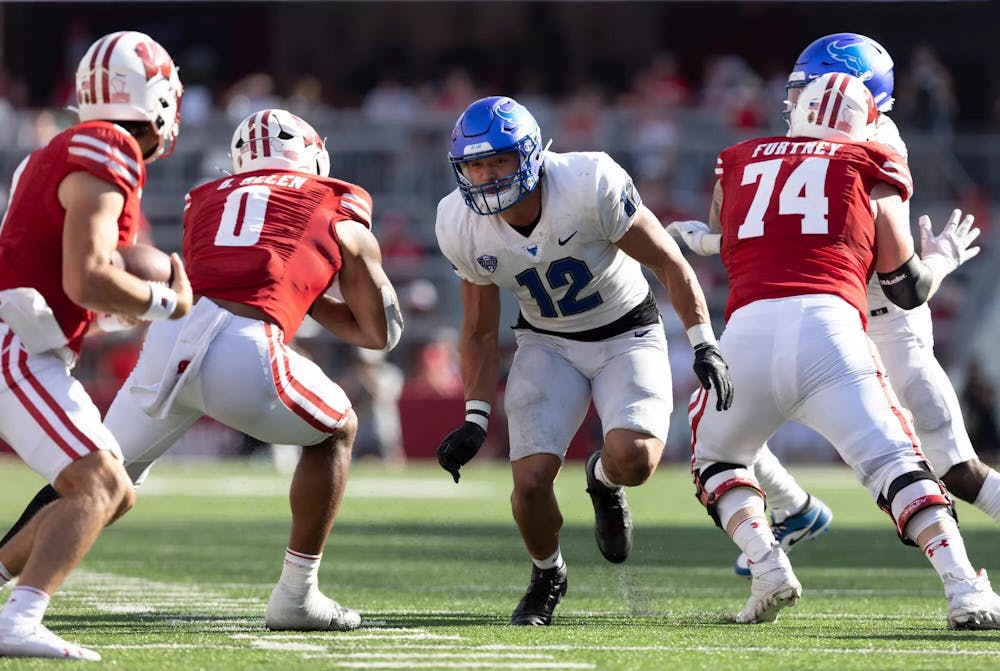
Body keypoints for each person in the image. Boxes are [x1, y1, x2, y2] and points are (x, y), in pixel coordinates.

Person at [0, 109, 402, 633]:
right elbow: (379, 334)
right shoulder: (336, 199)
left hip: (171, 340)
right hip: (244, 350)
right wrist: (319, 293)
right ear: (313, 154)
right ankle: (295, 596)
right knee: (337, 430)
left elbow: (235, 269)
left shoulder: (205, 199)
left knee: (98, 479)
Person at [671, 31, 1000, 579]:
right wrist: (716, 238)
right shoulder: (826, 137)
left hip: (883, 319)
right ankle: (794, 508)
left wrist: (939, 259)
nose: (797, 99)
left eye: (809, 87)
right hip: (828, 312)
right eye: (801, 87)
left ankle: (790, 514)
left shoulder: (876, 151)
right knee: (732, 420)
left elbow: (897, 277)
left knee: (956, 471)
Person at [434, 96, 733, 626]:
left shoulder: (587, 181)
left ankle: (604, 479)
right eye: (475, 165)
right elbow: (479, 328)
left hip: (627, 332)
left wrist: (704, 341)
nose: (486, 176)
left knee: (635, 459)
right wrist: (476, 415)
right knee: (528, 483)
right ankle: (548, 573)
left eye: (498, 161)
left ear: (528, 155)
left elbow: (668, 261)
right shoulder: (459, 223)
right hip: (547, 343)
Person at [0, 31, 189, 660]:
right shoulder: (107, 146)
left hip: (31, 339)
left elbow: (73, 284)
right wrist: (165, 303)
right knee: (101, 484)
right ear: (158, 98)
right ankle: (19, 620)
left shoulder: (63, 147)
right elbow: (87, 276)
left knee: (115, 490)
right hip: (16, 343)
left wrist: (114, 305)